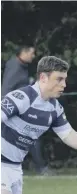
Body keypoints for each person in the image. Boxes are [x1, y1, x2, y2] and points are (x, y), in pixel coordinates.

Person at [1, 56, 77, 194]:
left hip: (14, 168)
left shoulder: (54, 109)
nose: (64, 85)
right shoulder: (22, 97)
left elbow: (70, 136)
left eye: (65, 79)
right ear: (43, 77)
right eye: (59, 79)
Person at [2, 45, 53, 175]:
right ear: (23, 52)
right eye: (31, 53)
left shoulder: (20, 66)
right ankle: (40, 168)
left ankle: (35, 166)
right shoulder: (15, 67)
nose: (33, 56)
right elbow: (7, 89)